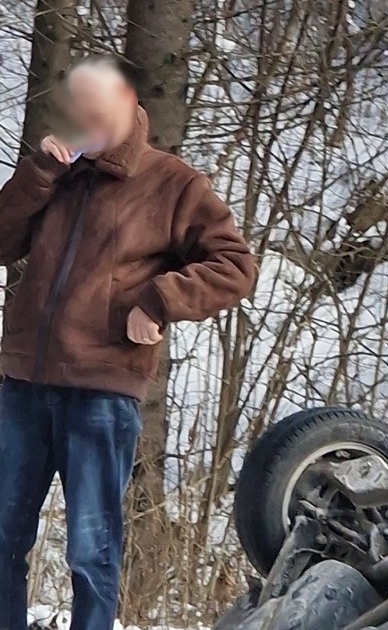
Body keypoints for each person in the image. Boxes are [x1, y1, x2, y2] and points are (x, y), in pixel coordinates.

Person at [0, 56, 257, 630]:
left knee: (90, 554)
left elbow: (236, 265)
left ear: (126, 104)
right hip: (22, 384)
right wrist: (37, 176)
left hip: (100, 392)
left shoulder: (173, 183)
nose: (83, 120)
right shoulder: (55, 171)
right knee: (1, 537)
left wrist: (160, 300)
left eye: (96, 109)